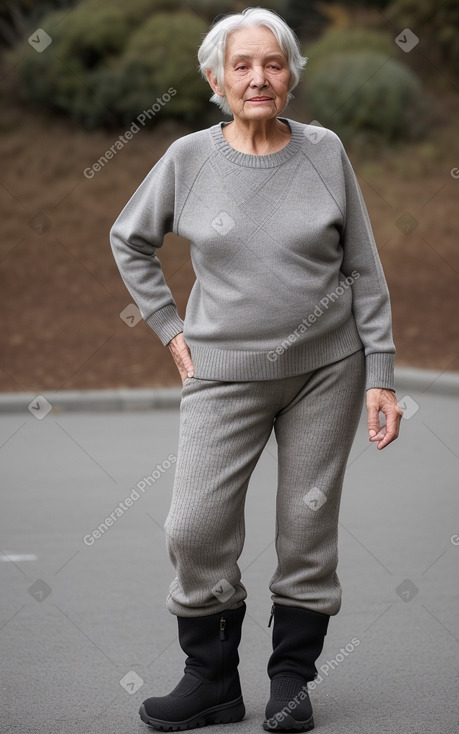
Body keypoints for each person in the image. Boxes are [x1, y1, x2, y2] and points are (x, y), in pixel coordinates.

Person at [110, 7, 403, 732]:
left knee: (306, 530)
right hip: (221, 372)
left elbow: (362, 268)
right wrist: (170, 327)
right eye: (241, 65)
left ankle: (290, 682)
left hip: (326, 370)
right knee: (193, 526)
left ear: (291, 74)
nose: (258, 77)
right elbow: (129, 239)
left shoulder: (324, 151)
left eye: (272, 63)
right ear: (215, 77)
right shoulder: (187, 158)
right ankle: (209, 680)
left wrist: (382, 373)